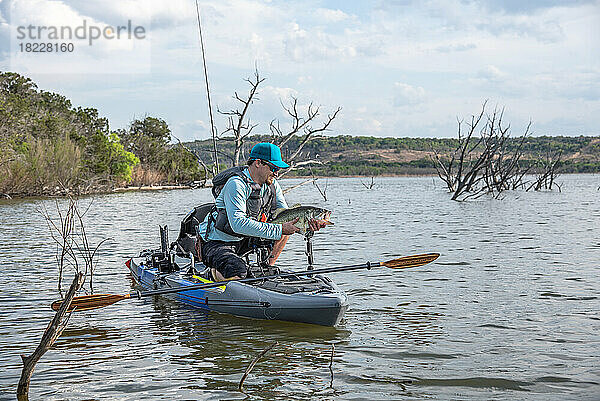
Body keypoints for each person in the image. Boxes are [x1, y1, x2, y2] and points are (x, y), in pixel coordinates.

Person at [197, 143, 326, 281]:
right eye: (274, 168)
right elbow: (238, 224)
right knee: (237, 273)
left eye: (279, 169)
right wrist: (279, 229)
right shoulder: (236, 184)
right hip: (217, 242)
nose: (276, 173)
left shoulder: (272, 185)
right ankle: (213, 272)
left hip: (246, 239)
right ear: (258, 163)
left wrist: (306, 227)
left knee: (284, 231)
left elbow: (287, 217)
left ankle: (266, 268)